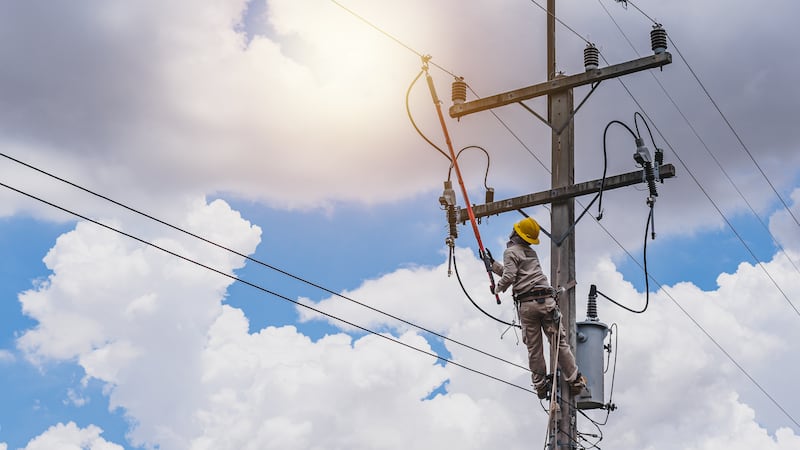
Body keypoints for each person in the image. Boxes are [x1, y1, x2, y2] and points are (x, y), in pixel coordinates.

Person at [491, 217, 586, 399]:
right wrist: (494, 266)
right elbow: (518, 273)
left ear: (516, 234)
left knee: (534, 349)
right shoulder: (530, 253)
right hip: (546, 302)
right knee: (559, 342)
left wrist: (497, 288)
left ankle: (541, 386)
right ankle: (575, 379)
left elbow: (511, 276)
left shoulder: (510, 251)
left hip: (527, 305)